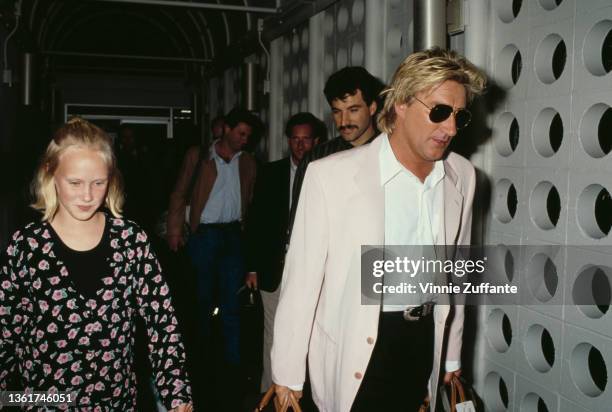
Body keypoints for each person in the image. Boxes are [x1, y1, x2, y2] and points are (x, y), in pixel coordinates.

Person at [271, 48, 486, 411]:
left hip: (424, 337)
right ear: (400, 103)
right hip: (358, 341)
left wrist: (450, 356)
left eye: (459, 117)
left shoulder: (461, 175)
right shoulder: (330, 175)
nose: (450, 128)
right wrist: (287, 375)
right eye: (439, 112)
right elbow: (301, 282)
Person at [0, 118, 192, 411]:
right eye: (75, 183)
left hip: (116, 403)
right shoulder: (27, 246)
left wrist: (178, 399)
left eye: (98, 183)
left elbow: (162, 327)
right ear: (50, 174)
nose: (88, 196)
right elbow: (6, 333)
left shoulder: (131, 241)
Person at [166, 108, 259, 370]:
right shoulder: (199, 157)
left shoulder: (248, 162)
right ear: (226, 129)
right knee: (202, 297)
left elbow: (250, 199)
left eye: (248, 135)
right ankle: (201, 356)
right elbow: (179, 193)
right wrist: (174, 231)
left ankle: (233, 360)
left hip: (232, 235)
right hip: (204, 235)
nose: (245, 139)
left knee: (232, 299)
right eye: (241, 133)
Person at [244, 112, 321, 393]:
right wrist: (252, 267)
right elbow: (254, 223)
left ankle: (305, 391)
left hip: (312, 266)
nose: (300, 146)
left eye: (306, 140)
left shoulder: (325, 173)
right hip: (272, 265)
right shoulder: (270, 173)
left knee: (310, 331)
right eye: (295, 140)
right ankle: (270, 391)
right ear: (289, 141)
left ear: (317, 141)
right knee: (273, 332)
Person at [287, 67, 385, 241]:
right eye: (337, 111)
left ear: (372, 108)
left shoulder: (390, 154)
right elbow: (300, 222)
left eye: (353, 110)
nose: (343, 121)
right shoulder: (316, 158)